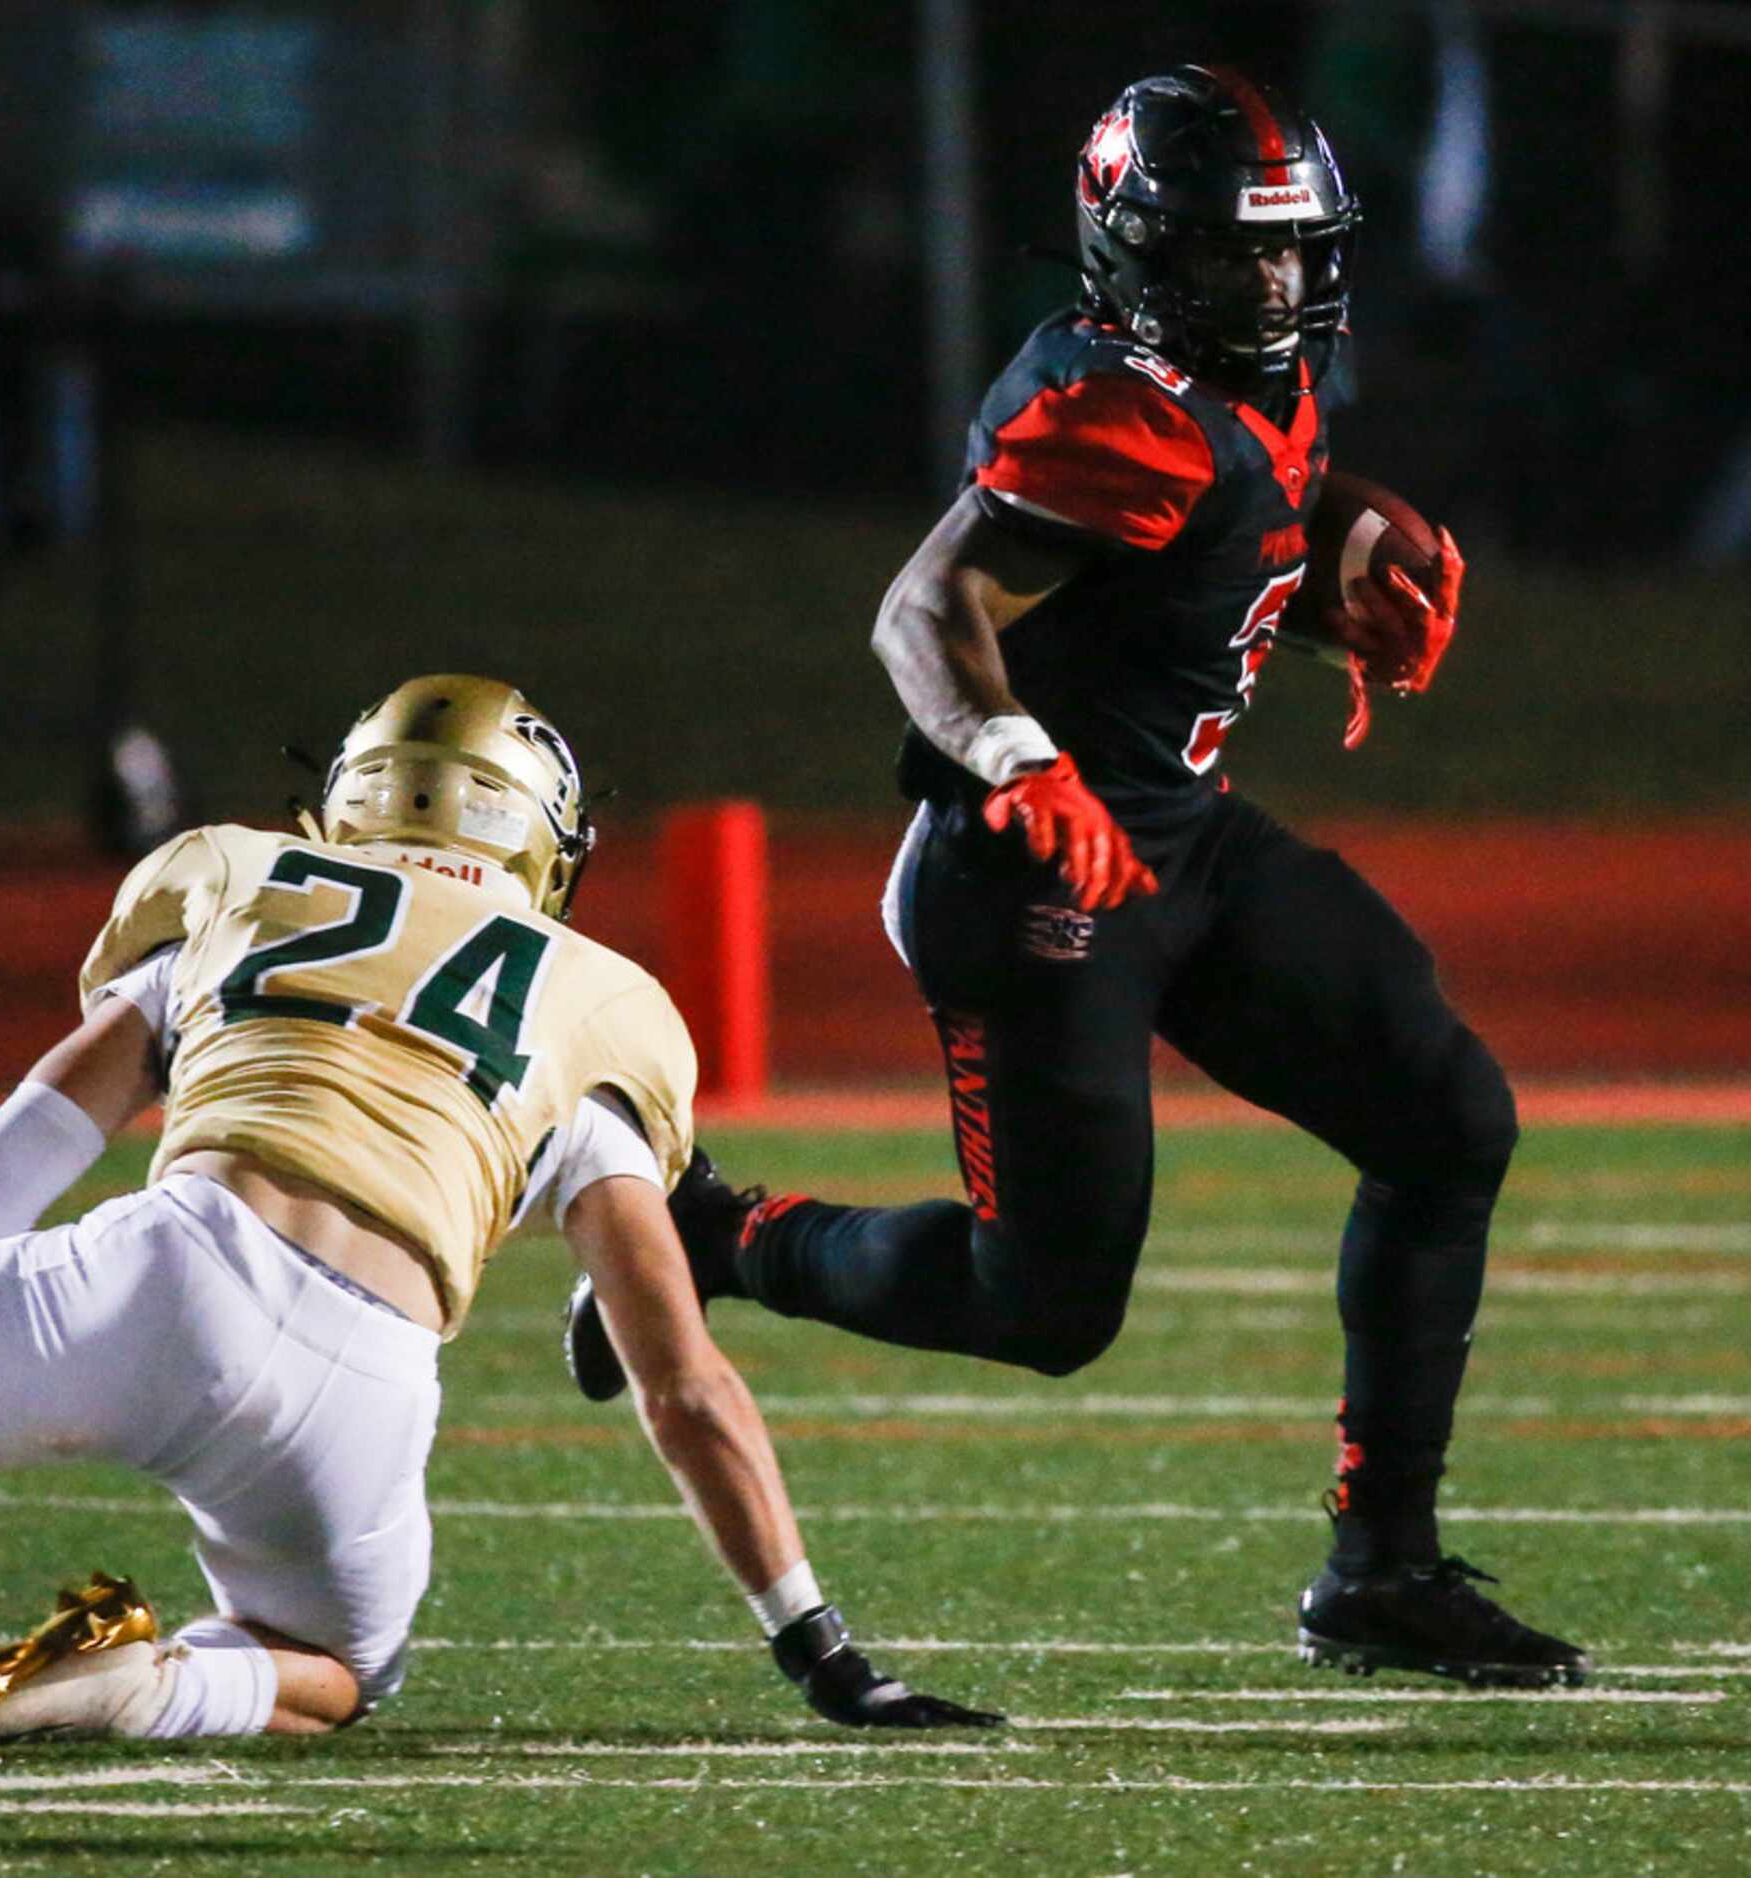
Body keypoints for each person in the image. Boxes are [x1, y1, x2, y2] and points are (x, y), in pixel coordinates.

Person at [564, 68, 1589, 1689]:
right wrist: (1017, 760)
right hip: (1036, 874)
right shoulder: (1120, 403)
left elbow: (1217, 533)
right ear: (1136, 249)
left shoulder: (1251, 371)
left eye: (1289, 249)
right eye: (1231, 252)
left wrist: (1342, 562)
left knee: (1447, 1114)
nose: (1273, 281)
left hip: (1178, 836)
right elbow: (925, 608)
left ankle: (1380, 1569)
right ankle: (716, 1233)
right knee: (1043, 1305)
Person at [0, 674, 1002, 1754]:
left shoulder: (240, 879)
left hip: (168, 1267)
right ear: (542, 833)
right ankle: (139, 1683)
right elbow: (683, 1381)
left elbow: (35, 1136)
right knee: (337, 1670)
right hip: (366, 1378)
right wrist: (818, 1643)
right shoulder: (600, 1001)